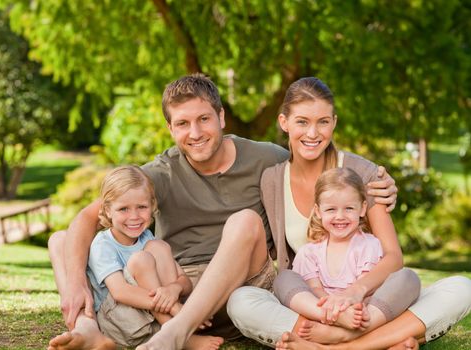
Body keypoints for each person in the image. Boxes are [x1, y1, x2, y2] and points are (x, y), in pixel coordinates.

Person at [47, 73, 397, 350]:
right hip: (176, 289)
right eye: (182, 124)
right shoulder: (159, 173)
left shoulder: (266, 158)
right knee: (62, 241)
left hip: (243, 282)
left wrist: (374, 182)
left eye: (204, 119)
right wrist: (75, 283)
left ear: (222, 117)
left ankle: (174, 334)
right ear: (170, 129)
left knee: (244, 221)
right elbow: (89, 216)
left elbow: (317, 158)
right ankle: (89, 328)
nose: (195, 133)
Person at [226, 77, 471, 350]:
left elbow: (393, 256)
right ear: (284, 123)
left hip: (368, 303)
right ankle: (382, 340)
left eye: (323, 122)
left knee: (462, 289)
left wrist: (355, 293)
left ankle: (338, 344)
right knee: (241, 301)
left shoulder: (362, 173)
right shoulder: (271, 180)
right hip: (313, 307)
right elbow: (278, 265)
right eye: (302, 122)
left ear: (334, 122)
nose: (312, 133)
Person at [84, 165, 223, 350]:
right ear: (108, 210)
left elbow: (185, 281)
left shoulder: (148, 239)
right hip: (119, 322)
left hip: (148, 317)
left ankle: (174, 329)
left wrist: (173, 289)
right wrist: (178, 310)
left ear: (152, 206)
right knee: (141, 260)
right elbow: (120, 292)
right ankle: (178, 331)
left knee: (158, 247)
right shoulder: (103, 244)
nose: (134, 216)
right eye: (123, 209)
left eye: (142, 207)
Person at [288, 167, 419, 342]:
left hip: (362, 311)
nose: (340, 216)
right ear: (318, 212)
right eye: (331, 210)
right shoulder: (309, 253)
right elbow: (314, 290)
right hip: (325, 312)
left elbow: (366, 293)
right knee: (284, 278)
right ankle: (379, 340)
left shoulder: (368, 245)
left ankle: (340, 336)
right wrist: (337, 312)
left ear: (362, 209)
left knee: (408, 278)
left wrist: (352, 311)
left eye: (349, 208)